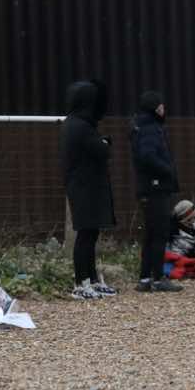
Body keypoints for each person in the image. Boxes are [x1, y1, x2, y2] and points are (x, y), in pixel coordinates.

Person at [60, 79, 117, 300]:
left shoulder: (78, 123)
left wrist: (103, 143)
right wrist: (105, 143)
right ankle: (81, 282)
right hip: (83, 187)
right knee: (85, 235)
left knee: (91, 234)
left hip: (86, 186)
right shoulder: (80, 126)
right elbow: (101, 150)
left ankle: (91, 279)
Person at [131, 90, 184, 293]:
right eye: (161, 106)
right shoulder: (151, 129)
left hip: (148, 187)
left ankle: (145, 278)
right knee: (159, 233)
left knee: (151, 233)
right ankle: (158, 277)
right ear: (155, 108)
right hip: (155, 188)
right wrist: (167, 170)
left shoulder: (140, 126)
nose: (164, 109)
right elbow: (148, 156)